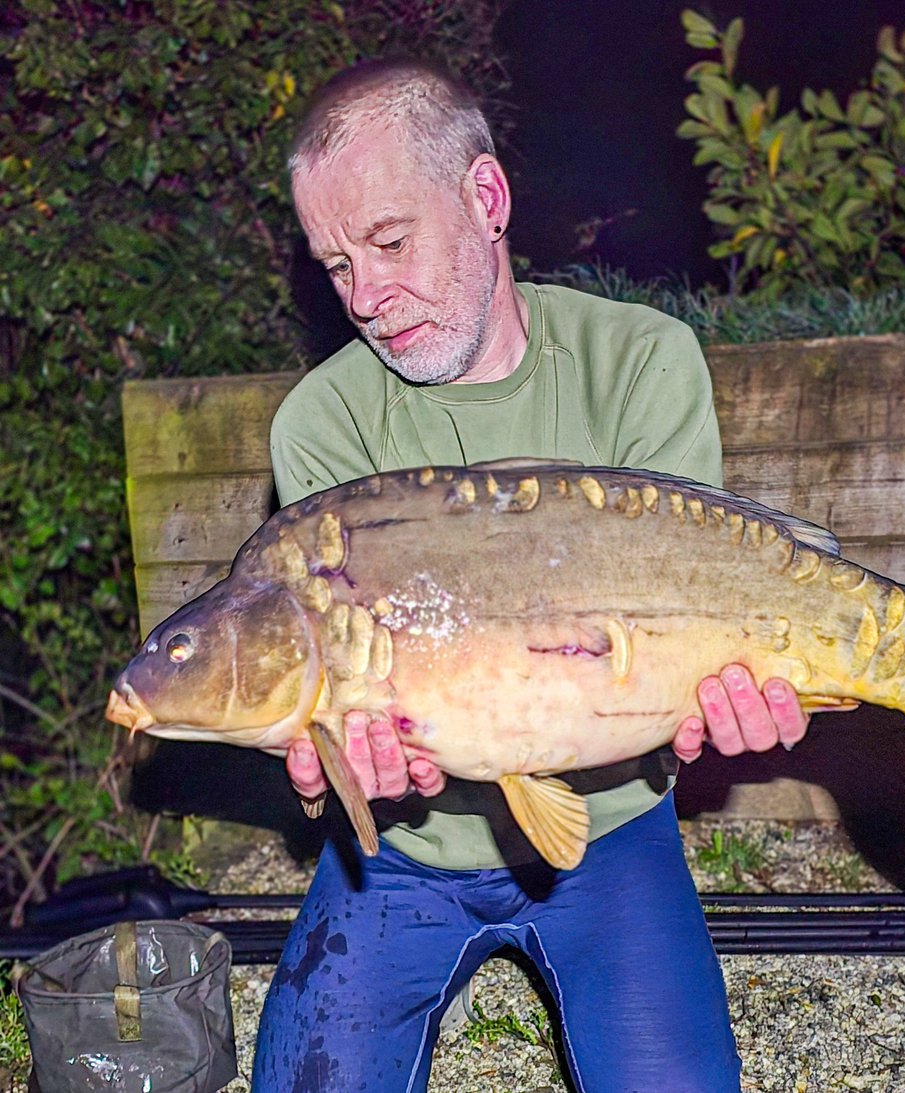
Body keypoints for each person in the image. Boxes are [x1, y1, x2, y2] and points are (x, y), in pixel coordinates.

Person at [254, 57, 811, 1092]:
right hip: (404, 853)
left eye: (388, 242)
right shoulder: (319, 425)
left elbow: (696, 619)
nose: (367, 298)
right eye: (337, 266)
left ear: (485, 197)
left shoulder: (642, 364)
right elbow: (337, 693)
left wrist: (735, 690)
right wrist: (345, 757)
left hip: (613, 829)